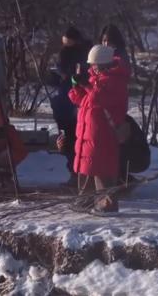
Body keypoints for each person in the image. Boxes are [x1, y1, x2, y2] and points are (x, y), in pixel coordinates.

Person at [68, 45, 129, 214]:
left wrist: (86, 85)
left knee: (102, 168)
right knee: (86, 167)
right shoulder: (95, 79)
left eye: (95, 65)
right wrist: (76, 85)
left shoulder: (116, 80)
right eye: (92, 65)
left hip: (103, 133)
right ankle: (85, 200)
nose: (93, 67)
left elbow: (100, 98)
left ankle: (107, 204)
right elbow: (80, 100)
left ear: (105, 64)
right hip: (88, 132)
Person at [52, 26, 91, 182]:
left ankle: (77, 173)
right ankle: (76, 171)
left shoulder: (75, 54)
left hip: (72, 101)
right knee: (71, 138)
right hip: (68, 100)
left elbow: (68, 73)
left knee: (72, 137)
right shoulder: (81, 52)